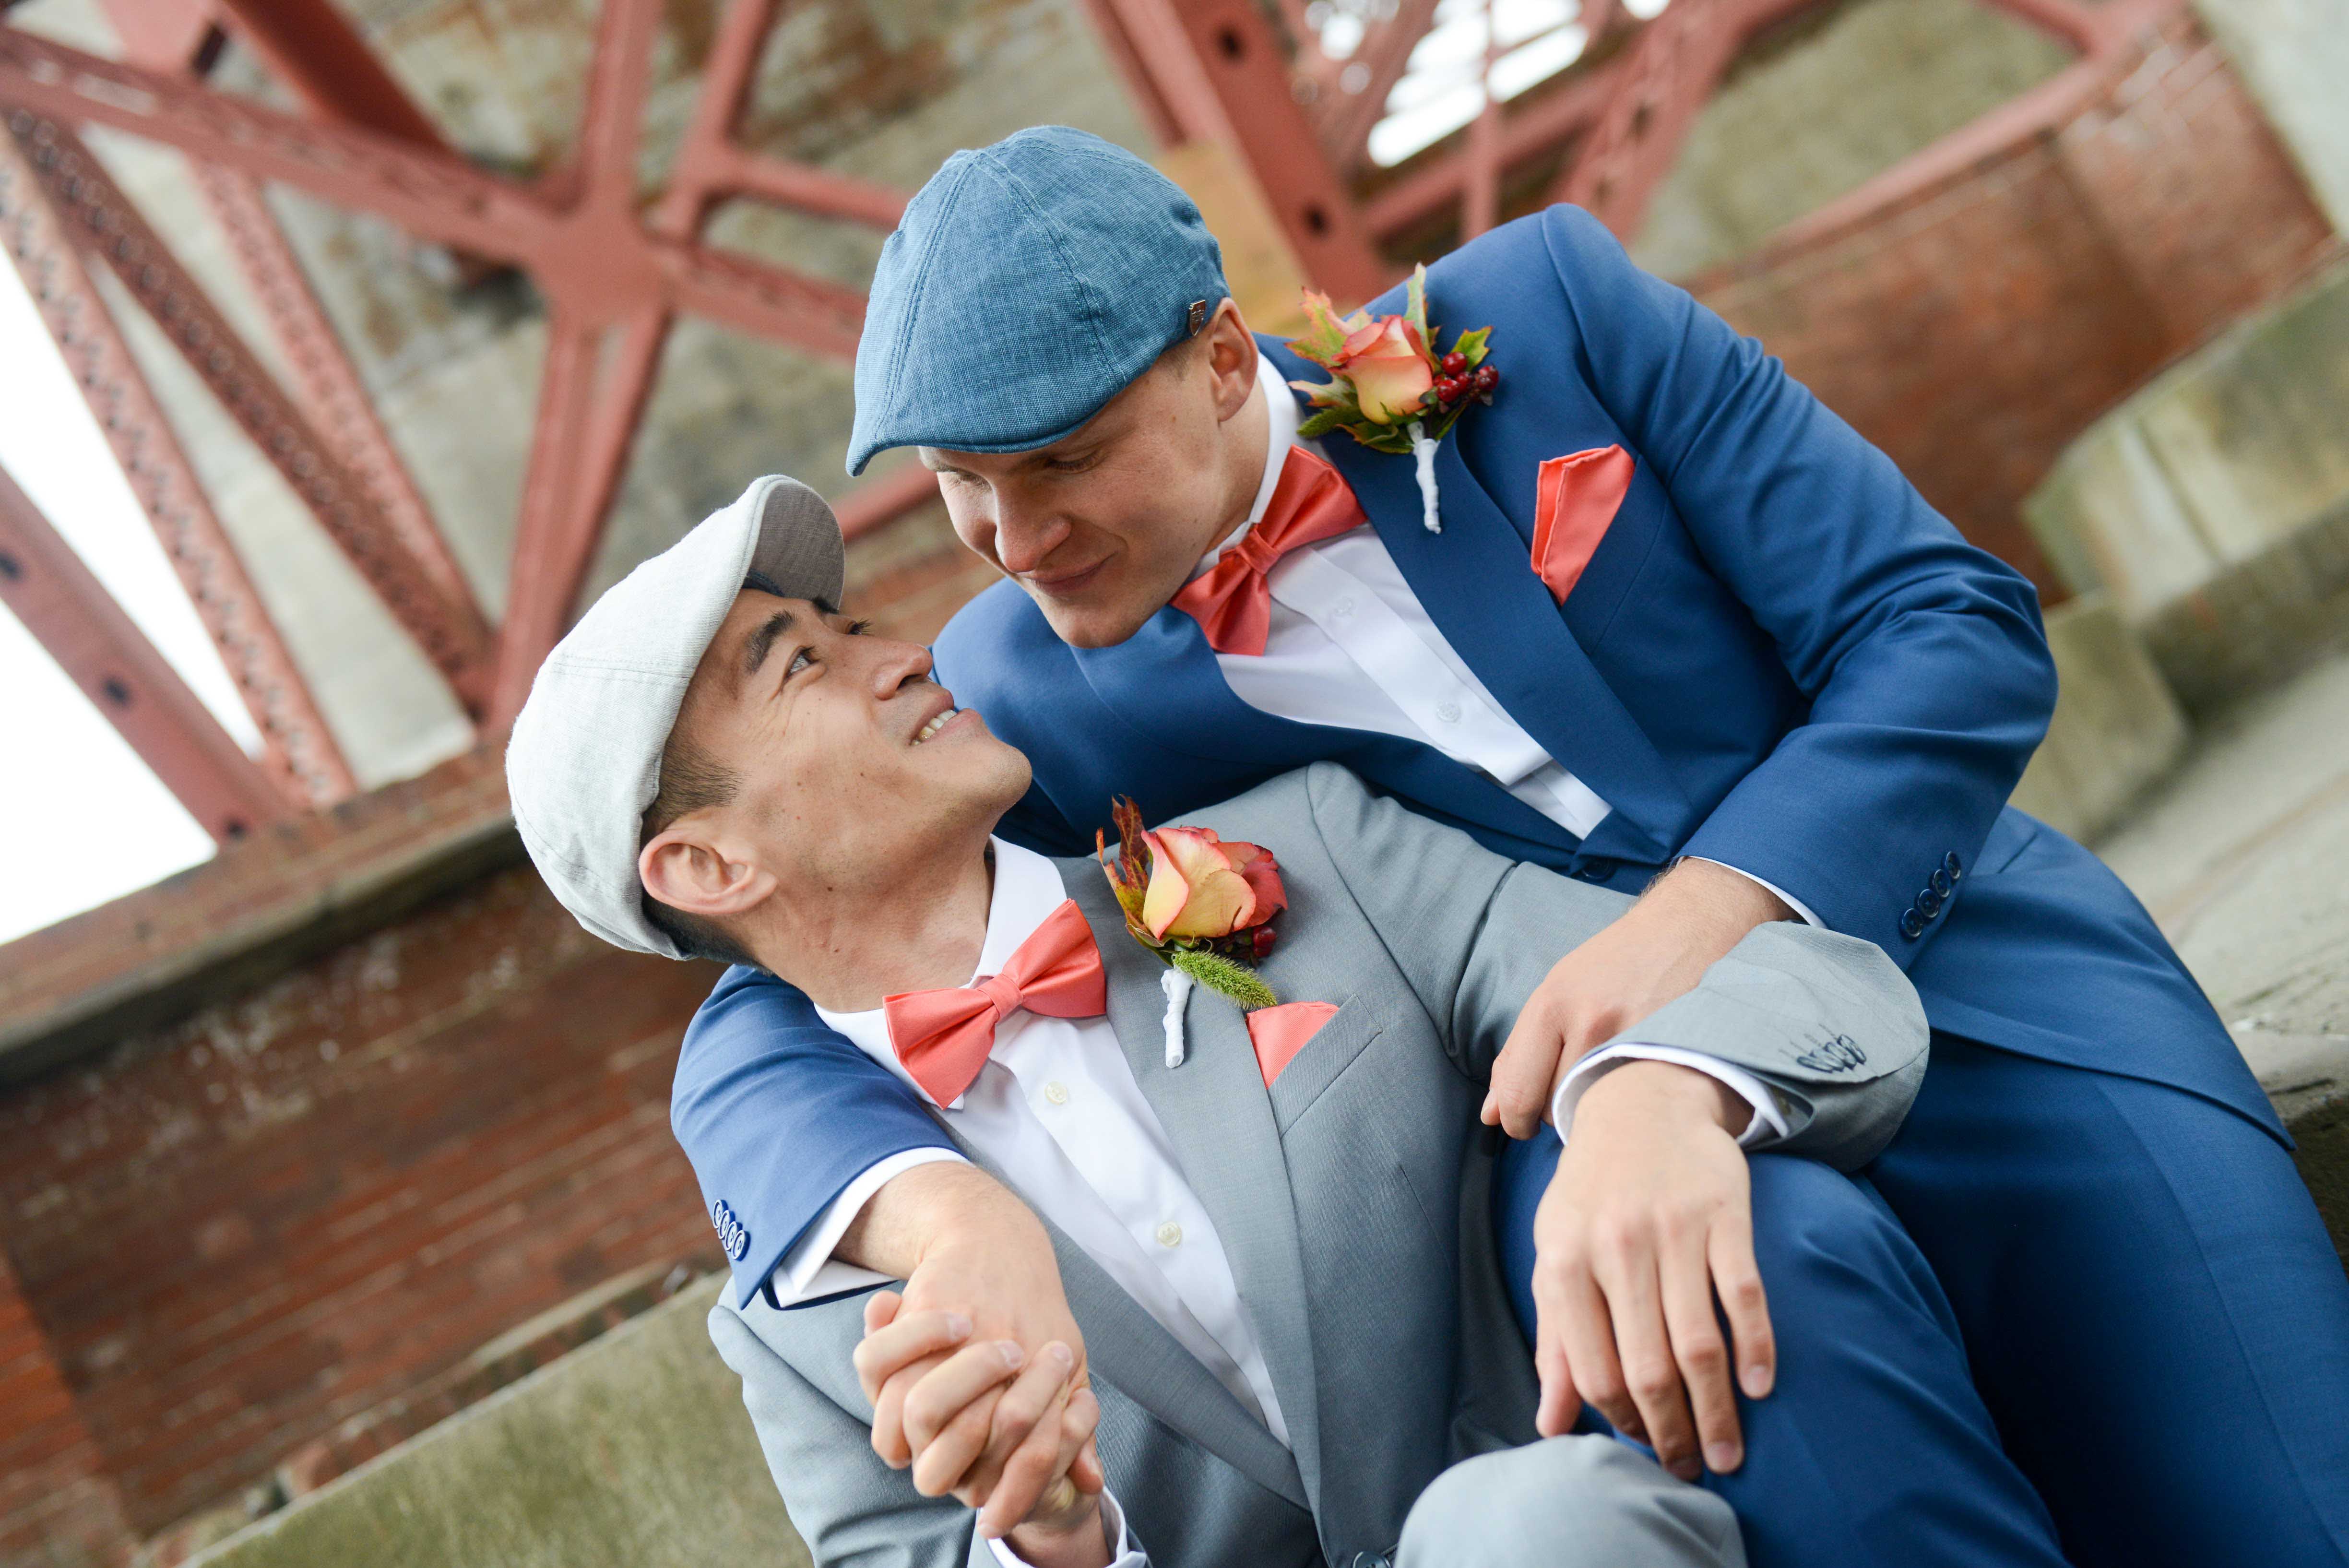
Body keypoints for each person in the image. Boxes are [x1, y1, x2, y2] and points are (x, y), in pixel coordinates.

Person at [665, 128, 2349, 1566]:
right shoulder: (1022, 689)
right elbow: (772, 1000)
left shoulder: (1547, 315)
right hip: (1583, 1167)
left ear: (1225, 358)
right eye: (963, 484)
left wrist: (1692, 924)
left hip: (1982, 1003)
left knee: (2286, 1505)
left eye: (1064, 461)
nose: (1017, 540)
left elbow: (1950, 626)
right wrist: (938, 1223)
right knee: (1739, 1323)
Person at [502, 475, 2071, 1568]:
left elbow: (1787, 988)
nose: (899, 646)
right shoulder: (796, 1326)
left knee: (1521, 1534)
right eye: (805, 662)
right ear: (708, 864)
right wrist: (1048, 1540)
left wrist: (1662, 1087)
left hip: (1566, 1524)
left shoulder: (1313, 856)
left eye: (845, 621)